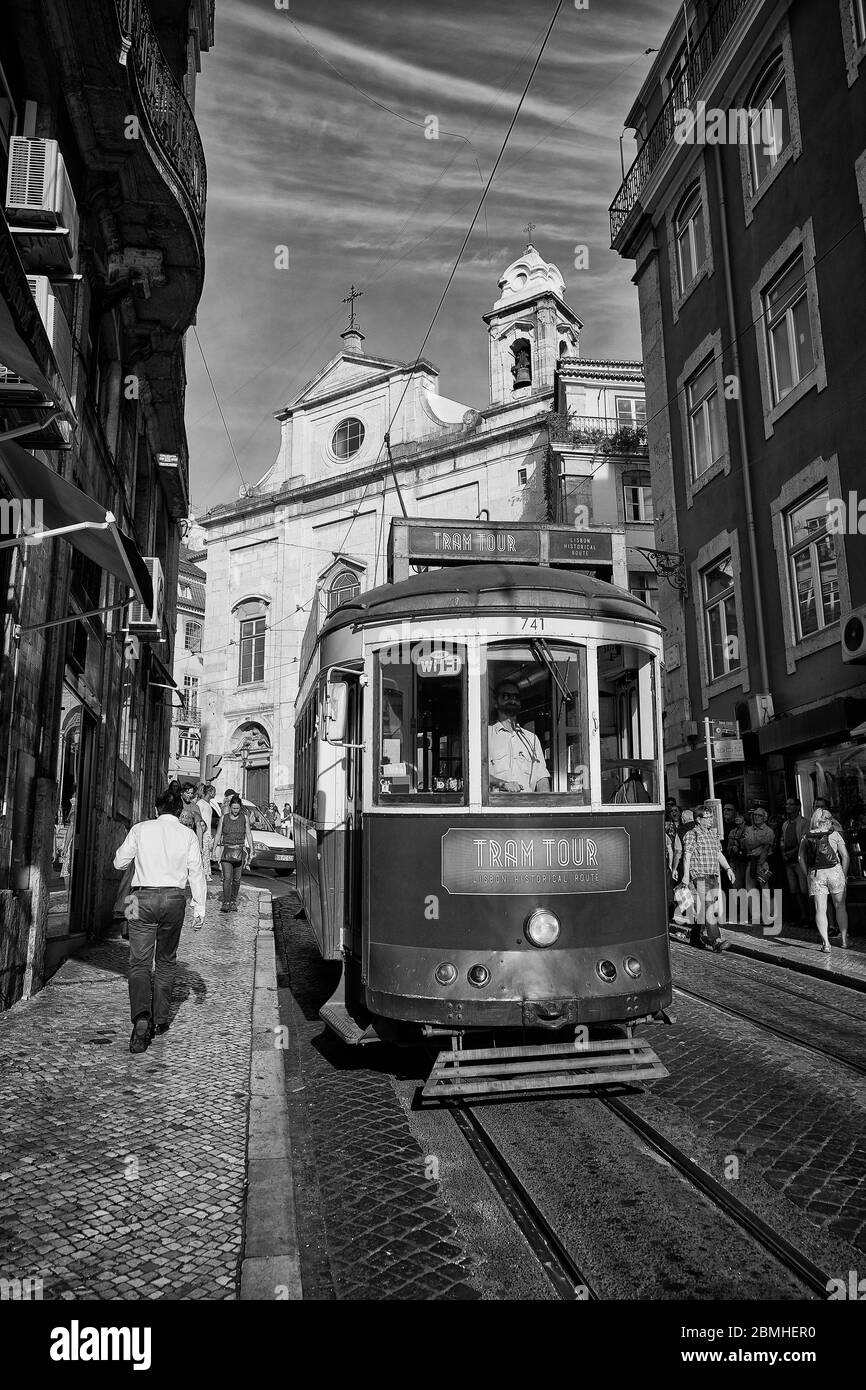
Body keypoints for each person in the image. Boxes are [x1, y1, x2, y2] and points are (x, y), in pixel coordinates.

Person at [113, 786, 206, 1054]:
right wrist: (199, 909)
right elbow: (196, 873)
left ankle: (141, 1019)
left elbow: (119, 863)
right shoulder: (187, 835)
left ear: (156, 809)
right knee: (165, 961)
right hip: (174, 901)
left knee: (139, 962)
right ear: (179, 811)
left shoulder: (140, 829)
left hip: (142, 899)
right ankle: (161, 1019)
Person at [682, 803, 736, 950]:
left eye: (711, 816)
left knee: (703, 909)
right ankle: (715, 940)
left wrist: (728, 869)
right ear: (698, 819)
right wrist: (686, 876)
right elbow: (687, 856)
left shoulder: (713, 833)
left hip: (713, 876)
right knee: (708, 908)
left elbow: (718, 854)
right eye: (707, 817)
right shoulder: (692, 834)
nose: (711, 819)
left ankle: (695, 937)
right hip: (699, 876)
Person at [799, 808, 849, 952]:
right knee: (840, 906)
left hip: (816, 873)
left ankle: (826, 943)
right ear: (829, 820)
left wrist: (807, 875)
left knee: (820, 909)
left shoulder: (806, 836)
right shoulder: (835, 834)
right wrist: (844, 874)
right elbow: (845, 856)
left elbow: (800, 858)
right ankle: (845, 941)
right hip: (835, 871)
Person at [488, 680, 550, 792]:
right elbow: (477, 775)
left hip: (526, 806)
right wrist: (502, 784)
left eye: (516, 697)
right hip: (495, 806)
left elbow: (541, 777)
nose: (512, 700)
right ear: (495, 703)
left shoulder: (531, 739)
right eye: (506, 696)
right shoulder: (485, 736)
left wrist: (547, 805)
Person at [212, 794, 254, 913]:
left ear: (240, 807)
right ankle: (225, 902)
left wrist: (252, 849)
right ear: (230, 807)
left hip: (239, 851)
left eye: (237, 808)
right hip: (227, 851)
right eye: (234, 808)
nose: (235, 811)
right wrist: (214, 848)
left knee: (237, 879)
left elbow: (249, 834)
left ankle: (233, 901)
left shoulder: (244, 818)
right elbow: (218, 834)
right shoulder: (223, 818)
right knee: (227, 878)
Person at [779, 796, 809, 927]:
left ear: (797, 807)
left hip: (799, 859)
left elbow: (804, 840)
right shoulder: (785, 824)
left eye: (790, 804)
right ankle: (802, 916)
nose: (787, 806)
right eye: (786, 804)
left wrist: (792, 853)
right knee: (794, 889)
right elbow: (782, 840)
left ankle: (810, 917)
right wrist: (783, 853)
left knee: (804, 889)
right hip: (788, 861)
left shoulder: (803, 822)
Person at [197, 784, 218, 880]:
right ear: (209, 792)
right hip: (203, 832)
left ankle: (206, 873)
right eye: (213, 791)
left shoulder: (208, 804)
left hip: (208, 833)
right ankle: (205, 874)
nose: (215, 793)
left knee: (207, 854)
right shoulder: (201, 803)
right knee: (204, 853)